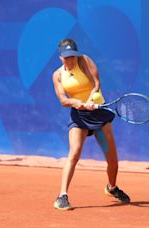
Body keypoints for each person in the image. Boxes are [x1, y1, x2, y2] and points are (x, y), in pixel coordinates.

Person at [52, 39, 130, 210]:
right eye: (66, 57)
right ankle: (62, 196)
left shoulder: (84, 61)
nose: (70, 60)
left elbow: (96, 84)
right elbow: (63, 99)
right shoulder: (57, 75)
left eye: (72, 56)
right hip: (79, 117)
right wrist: (75, 102)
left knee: (112, 160)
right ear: (60, 58)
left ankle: (112, 188)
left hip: (98, 115)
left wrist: (90, 100)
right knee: (74, 152)